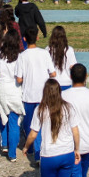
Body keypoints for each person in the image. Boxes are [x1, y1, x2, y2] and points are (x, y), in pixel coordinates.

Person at [23, 78, 81, 177]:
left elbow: (33, 134)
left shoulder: (40, 110)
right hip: (67, 152)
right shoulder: (69, 108)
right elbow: (76, 131)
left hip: (49, 154)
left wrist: (26, 146)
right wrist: (77, 149)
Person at [17, 27, 57, 160]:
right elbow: (53, 72)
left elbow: (19, 78)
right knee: (43, 123)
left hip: (28, 95)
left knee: (30, 124)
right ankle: (39, 151)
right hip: (43, 95)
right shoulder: (44, 53)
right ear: (38, 38)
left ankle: (32, 149)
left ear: (24, 39)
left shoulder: (22, 56)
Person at [0, 29, 25, 161]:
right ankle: (12, 153)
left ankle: (4, 144)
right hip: (15, 90)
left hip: (1, 88)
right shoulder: (20, 56)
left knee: (3, 117)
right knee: (14, 122)